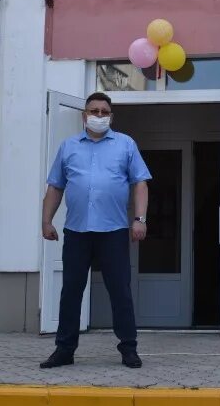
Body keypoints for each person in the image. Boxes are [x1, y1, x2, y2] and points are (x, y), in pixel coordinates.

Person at [40, 92, 151, 369]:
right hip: (77, 231)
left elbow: (140, 183)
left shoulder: (126, 145)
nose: (99, 116)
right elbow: (56, 186)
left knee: (120, 291)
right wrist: (46, 221)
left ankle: (129, 349)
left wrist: (140, 218)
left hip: (113, 231)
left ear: (111, 116)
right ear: (84, 115)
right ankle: (64, 350)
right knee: (71, 292)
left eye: (104, 112)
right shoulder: (68, 147)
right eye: (94, 111)